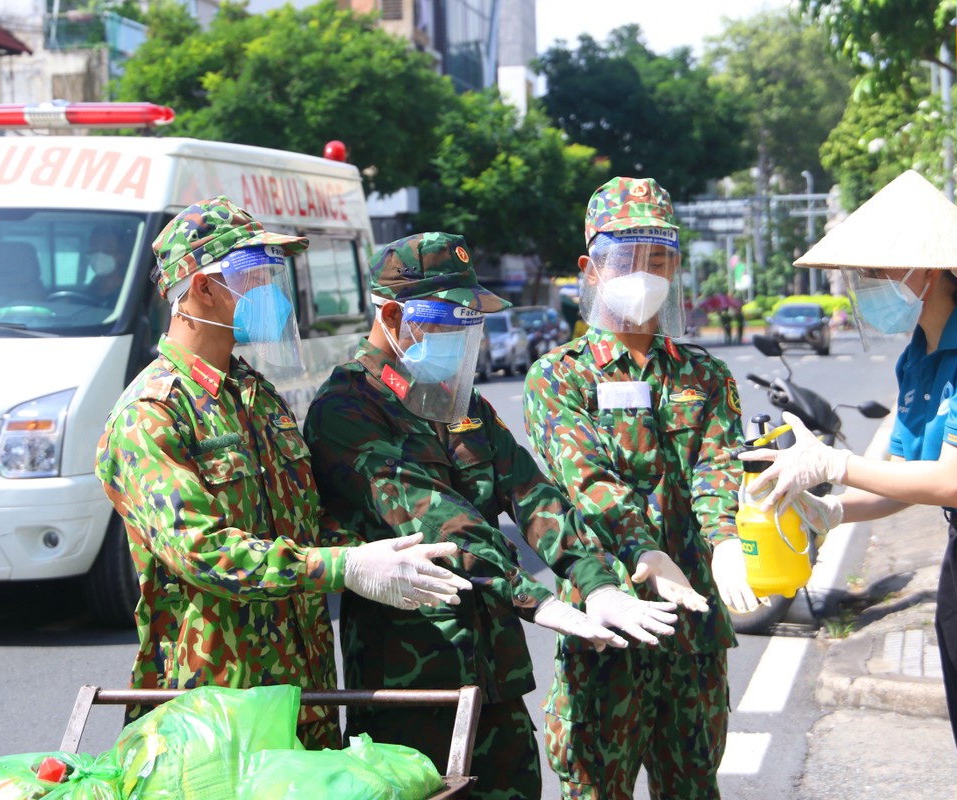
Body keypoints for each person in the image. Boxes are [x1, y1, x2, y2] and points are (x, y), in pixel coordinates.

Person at [304, 231, 698, 800]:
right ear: (392, 315)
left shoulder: (460, 403)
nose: (462, 335)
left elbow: (533, 495)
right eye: (446, 319)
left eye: (470, 320)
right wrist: (540, 600)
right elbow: (442, 522)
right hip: (414, 683)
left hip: (496, 676)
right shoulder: (347, 408)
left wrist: (595, 582)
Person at [743, 170, 957, 800]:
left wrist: (834, 465)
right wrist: (833, 511)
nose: (865, 288)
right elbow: (905, 480)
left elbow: (954, 481)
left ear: (927, 271)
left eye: (876, 272)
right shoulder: (918, 354)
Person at [95, 197, 473, 750]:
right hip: (220, 704)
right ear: (201, 287)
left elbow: (303, 519)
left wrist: (384, 555)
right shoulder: (152, 413)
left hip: (305, 692)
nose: (271, 291)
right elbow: (202, 552)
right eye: (256, 275)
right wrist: (341, 566)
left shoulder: (256, 395)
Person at [523, 176, 754, 800]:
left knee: (694, 787)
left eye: (659, 260)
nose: (644, 274)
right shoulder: (558, 377)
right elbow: (587, 479)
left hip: (692, 628)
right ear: (591, 269)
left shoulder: (704, 373)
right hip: (610, 626)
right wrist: (644, 553)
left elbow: (715, 466)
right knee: (597, 789)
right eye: (627, 259)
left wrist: (724, 537)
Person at [84, 223, 127, 302]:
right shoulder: (89, 291)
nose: (99, 255)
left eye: (107, 248)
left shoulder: (130, 294)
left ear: (121, 257)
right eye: (94, 247)